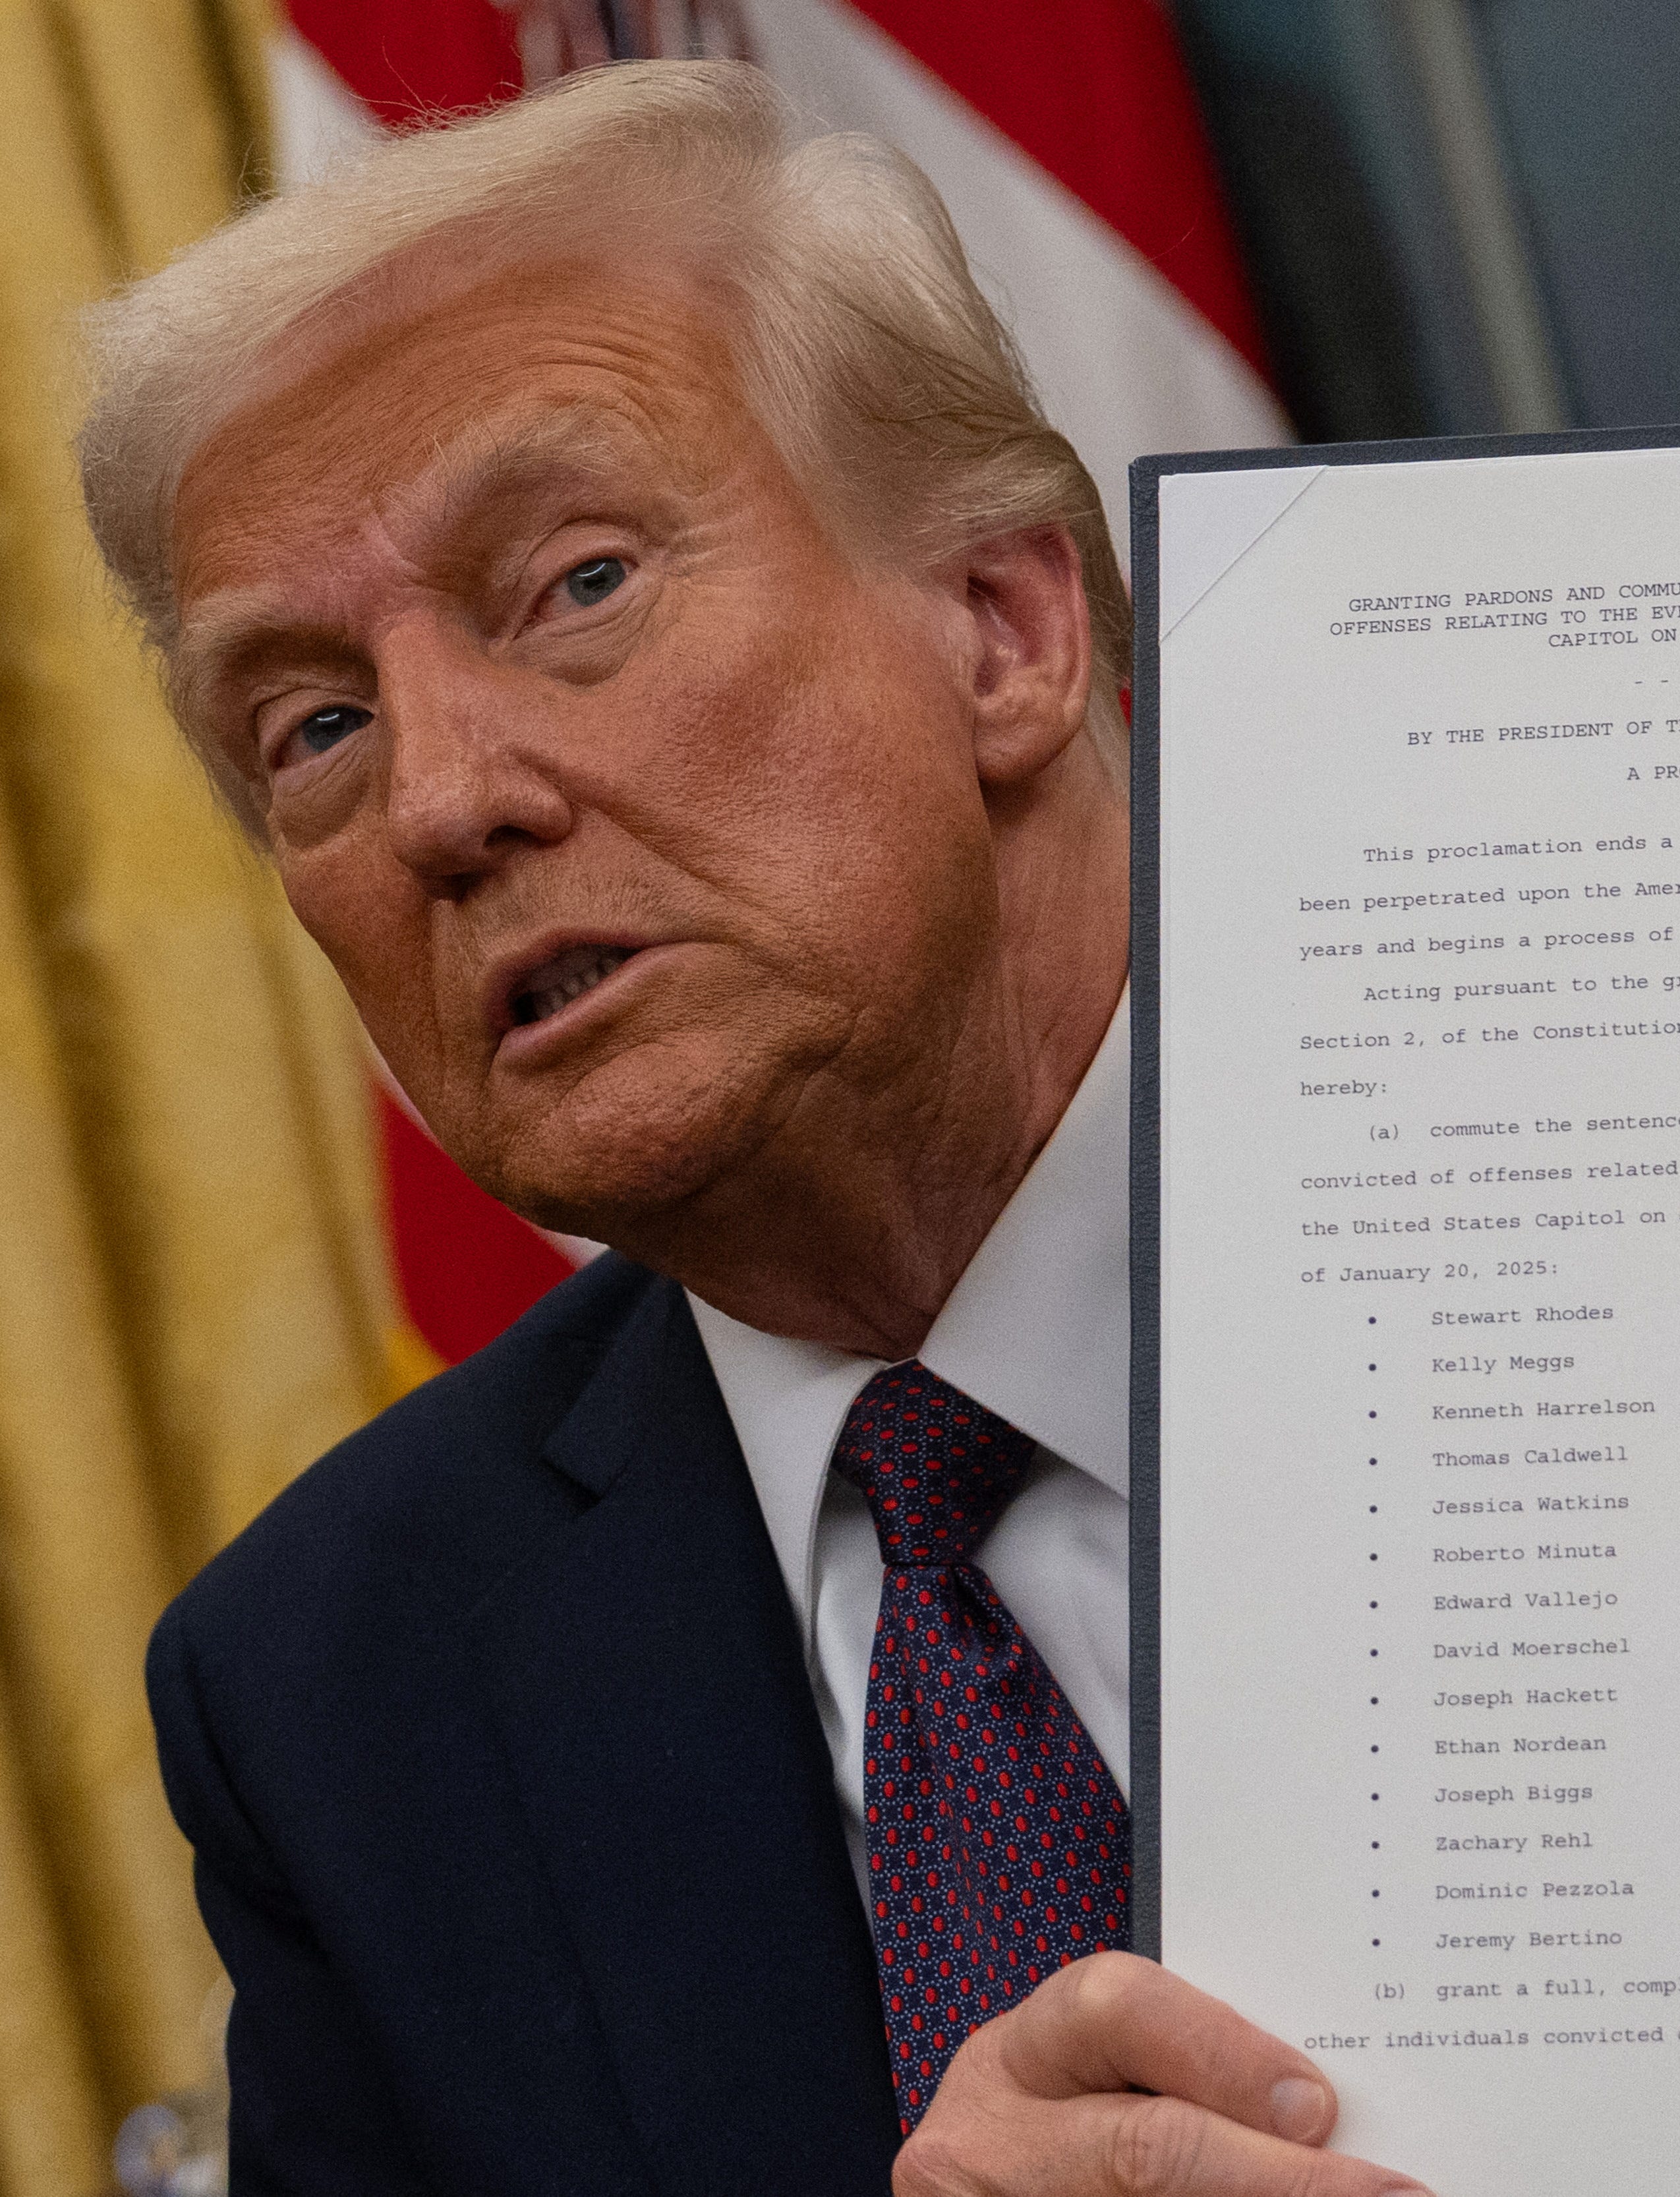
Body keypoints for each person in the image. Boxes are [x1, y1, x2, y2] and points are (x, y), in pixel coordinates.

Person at [81, 60, 1422, 2197]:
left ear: (1005, 626)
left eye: (578, 584)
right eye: (313, 725)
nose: (438, 801)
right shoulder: (341, 1684)